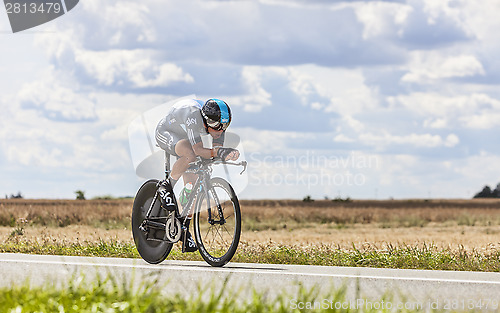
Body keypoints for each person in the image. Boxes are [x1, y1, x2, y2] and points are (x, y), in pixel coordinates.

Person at [155, 98, 240, 252]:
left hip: (185, 136)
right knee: (190, 155)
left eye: (224, 127)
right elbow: (199, 150)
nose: (219, 131)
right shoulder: (194, 116)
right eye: (215, 126)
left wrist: (225, 154)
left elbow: (215, 151)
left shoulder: (219, 124)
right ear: (206, 120)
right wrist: (220, 152)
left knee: (193, 186)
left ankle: (184, 229)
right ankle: (166, 185)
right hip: (167, 131)